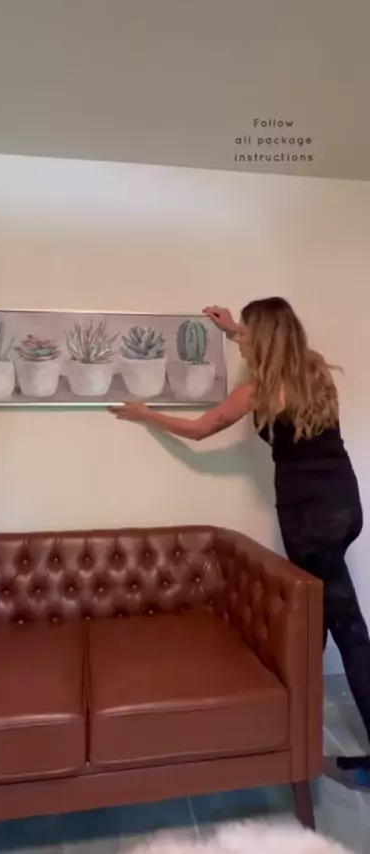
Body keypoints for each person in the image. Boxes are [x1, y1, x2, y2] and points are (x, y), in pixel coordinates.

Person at [109, 297, 370, 791]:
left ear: (263, 338)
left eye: (246, 334)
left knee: (347, 631)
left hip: (310, 519)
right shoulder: (315, 372)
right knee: (314, 622)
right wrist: (232, 327)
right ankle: (293, 726)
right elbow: (269, 345)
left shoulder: (258, 391)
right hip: (344, 505)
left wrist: (147, 414)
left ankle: (311, 738)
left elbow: (200, 430)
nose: (240, 341)